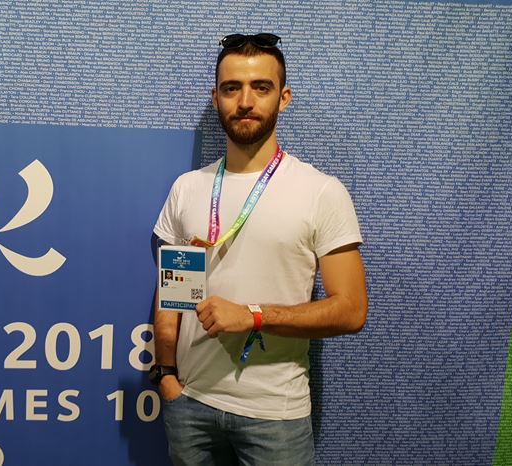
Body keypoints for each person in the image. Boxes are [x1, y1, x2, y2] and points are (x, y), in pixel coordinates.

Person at [149, 33, 368, 466]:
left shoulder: (321, 192)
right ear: (216, 98)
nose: (245, 101)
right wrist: (167, 375)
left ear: (283, 98)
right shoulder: (188, 188)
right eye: (232, 88)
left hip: (275, 416)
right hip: (189, 406)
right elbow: (171, 292)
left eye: (260, 87)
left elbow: (351, 310)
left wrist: (252, 315)